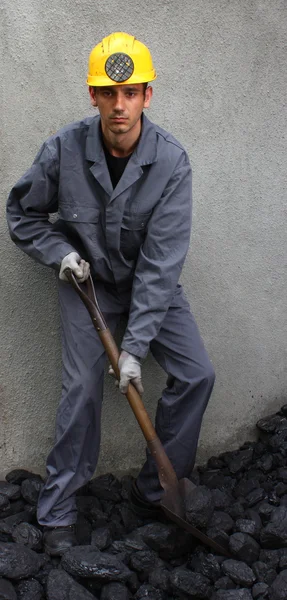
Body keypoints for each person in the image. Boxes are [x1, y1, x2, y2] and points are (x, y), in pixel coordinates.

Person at [6, 32, 215, 556]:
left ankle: (157, 491)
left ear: (148, 95)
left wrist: (135, 349)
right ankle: (57, 512)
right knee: (81, 390)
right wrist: (60, 253)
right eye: (107, 93)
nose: (118, 106)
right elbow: (22, 215)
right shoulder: (63, 149)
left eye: (130, 93)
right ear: (93, 95)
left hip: (151, 288)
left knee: (197, 374)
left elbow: (161, 266)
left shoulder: (171, 163)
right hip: (88, 287)